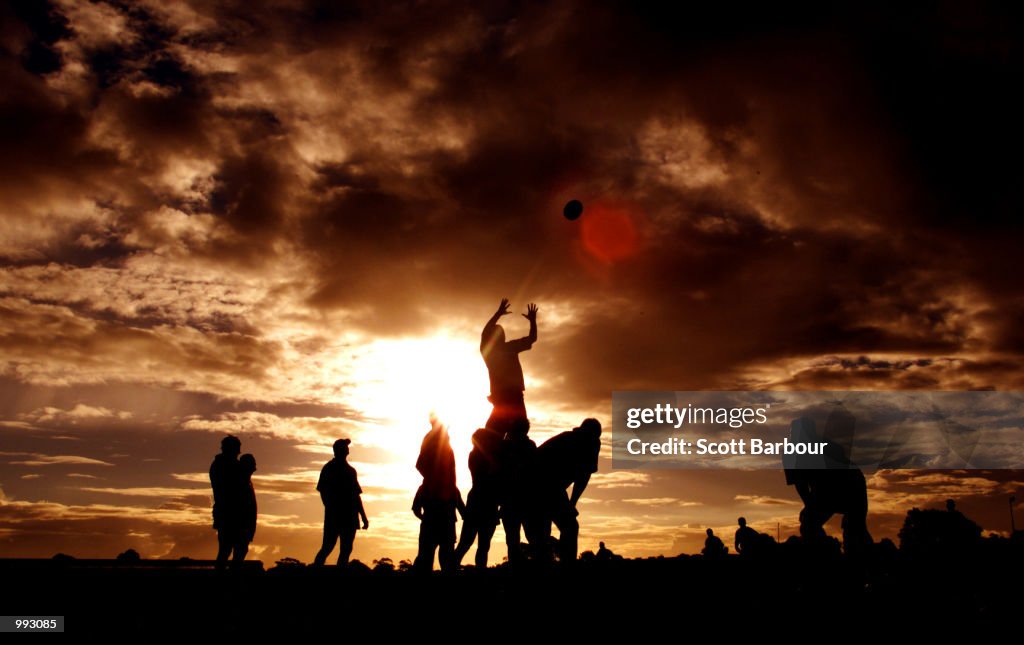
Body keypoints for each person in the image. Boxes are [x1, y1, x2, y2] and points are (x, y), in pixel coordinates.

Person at [533, 418, 603, 562]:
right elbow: (584, 476)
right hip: (540, 485)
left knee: (564, 527)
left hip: (551, 488)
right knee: (563, 527)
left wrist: (572, 503)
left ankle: (562, 563)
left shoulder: (586, 440)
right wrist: (571, 503)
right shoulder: (578, 441)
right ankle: (562, 565)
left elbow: (583, 476)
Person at [413, 416, 465, 572]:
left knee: (445, 551)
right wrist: (435, 481)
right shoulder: (432, 440)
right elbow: (420, 464)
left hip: (445, 503)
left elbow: (451, 483)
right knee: (428, 553)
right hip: (436, 503)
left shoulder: (444, 443)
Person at [480, 298, 537, 436]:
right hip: (510, 398)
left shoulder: (490, 352)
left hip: (506, 398)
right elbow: (532, 338)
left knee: (492, 435)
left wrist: (498, 314)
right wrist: (532, 321)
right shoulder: (506, 348)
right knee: (514, 433)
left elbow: (485, 332)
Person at [313, 439, 369, 566]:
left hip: (350, 516)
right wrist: (331, 508)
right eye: (345, 446)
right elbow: (323, 491)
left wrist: (364, 517)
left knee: (346, 549)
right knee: (328, 547)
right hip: (334, 516)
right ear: (338, 450)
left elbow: (356, 496)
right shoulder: (329, 468)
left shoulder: (351, 471)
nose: (347, 448)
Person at [454, 427, 504, 569]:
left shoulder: (480, 455)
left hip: (484, 501)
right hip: (481, 501)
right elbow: (490, 475)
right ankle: (452, 569)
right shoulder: (477, 456)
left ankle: (477, 573)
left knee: (481, 545)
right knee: (468, 543)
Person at [210, 435, 245, 570]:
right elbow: (234, 489)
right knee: (228, 548)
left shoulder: (222, 464)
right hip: (228, 512)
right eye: (237, 448)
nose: (238, 451)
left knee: (232, 548)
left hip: (226, 511)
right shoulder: (225, 465)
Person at [237, 453, 258, 562]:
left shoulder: (247, 481)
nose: (255, 467)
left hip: (246, 525)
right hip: (240, 524)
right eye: (253, 464)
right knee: (239, 551)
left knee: (241, 551)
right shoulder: (241, 482)